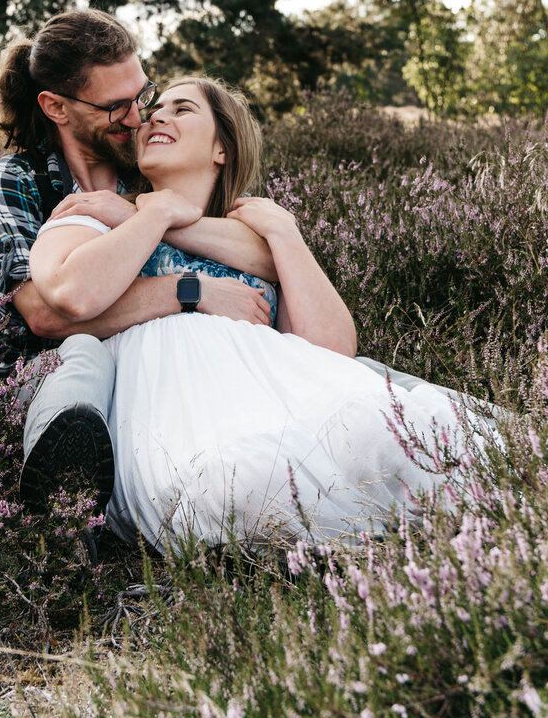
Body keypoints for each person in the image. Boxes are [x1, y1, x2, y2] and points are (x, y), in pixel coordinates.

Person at [29, 76, 502, 551]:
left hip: (275, 395)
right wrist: (148, 216)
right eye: (157, 108)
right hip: (172, 410)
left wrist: (286, 234)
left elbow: (331, 351)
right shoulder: (97, 215)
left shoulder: (257, 234)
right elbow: (69, 296)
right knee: (237, 487)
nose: (156, 115)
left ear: (222, 149)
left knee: (382, 438)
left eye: (183, 109)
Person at [0, 12, 276, 526]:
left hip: (170, 370)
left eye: (143, 95)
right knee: (82, 357)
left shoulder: (152, 165)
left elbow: (264, 253)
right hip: (51, 377)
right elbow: (45, 318)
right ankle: (64, 510)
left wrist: (143, 216)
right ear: (55, 107)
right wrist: (188, 289)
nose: (138, 118)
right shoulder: (10, 184)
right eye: (115, 107)